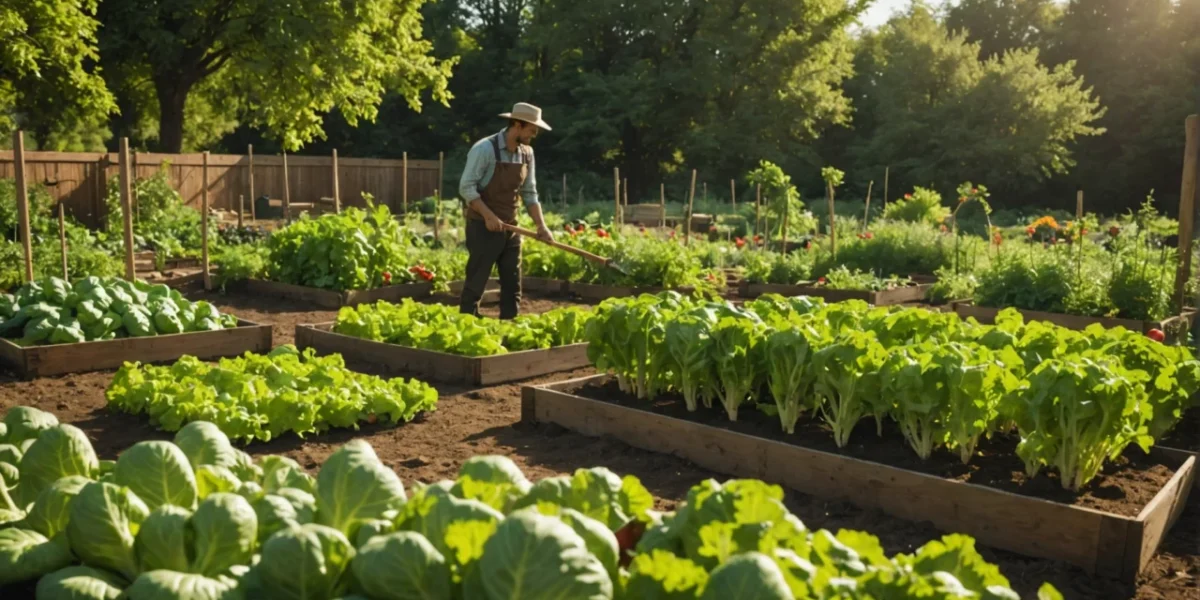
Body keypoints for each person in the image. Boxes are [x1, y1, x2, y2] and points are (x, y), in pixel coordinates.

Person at [457, 102, 555, 319]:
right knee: (476, 281)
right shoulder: (484, 149)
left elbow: (530, 193)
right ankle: (466, 325)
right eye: (532, 129)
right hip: (482, 226)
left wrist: (541, 226)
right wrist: (488, 215)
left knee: (513, 284)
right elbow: (466, 187)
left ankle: (510, 328)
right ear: (518, 125)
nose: (534, 135)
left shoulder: (527, 154)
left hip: (511, 228)